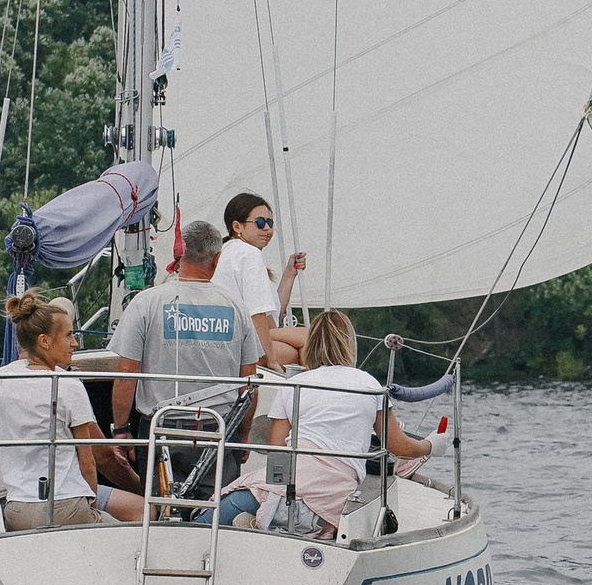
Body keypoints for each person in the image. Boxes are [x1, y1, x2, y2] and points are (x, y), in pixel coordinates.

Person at [209, 310, 437, 535]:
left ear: (311, 344)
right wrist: (431, 445)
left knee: (212, 516)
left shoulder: (294, 385)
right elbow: (400, 447)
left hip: (287, 483)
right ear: (349, 344)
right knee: (312, 515)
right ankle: (273, 524)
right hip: (333, 489)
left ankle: (255, 522)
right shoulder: (369, 384)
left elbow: (277, 450)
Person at [0, 292, 145, 529]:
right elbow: (88, 463)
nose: (74, 343)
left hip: (18, 509)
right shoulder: (68, 384)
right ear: (44, 341)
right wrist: (91, 503)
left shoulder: (2, 379)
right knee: (130, 535)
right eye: (69, 335)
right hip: (66, 505)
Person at [108, 219, 264, 489]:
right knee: (212, 517)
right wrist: (244, 435)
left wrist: (121, 430)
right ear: (216, 260)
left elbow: (126, 376)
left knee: (160, 516)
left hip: (160, 429)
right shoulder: (237, 309)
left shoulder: (146, 303)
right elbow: (248, 384)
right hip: (219, 431)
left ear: (178, 255)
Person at [215, 191, 309, 368]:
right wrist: (272, 360)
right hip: (245, 344)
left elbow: (273, 313)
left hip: (229, 341)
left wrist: (290, 273)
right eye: (259, 223)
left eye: (269, 223)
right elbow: (257, 313)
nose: (267, 228)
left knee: (306, 339)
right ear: (237, 227)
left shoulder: (226, 252)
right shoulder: (249, 254)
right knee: (311, 341)